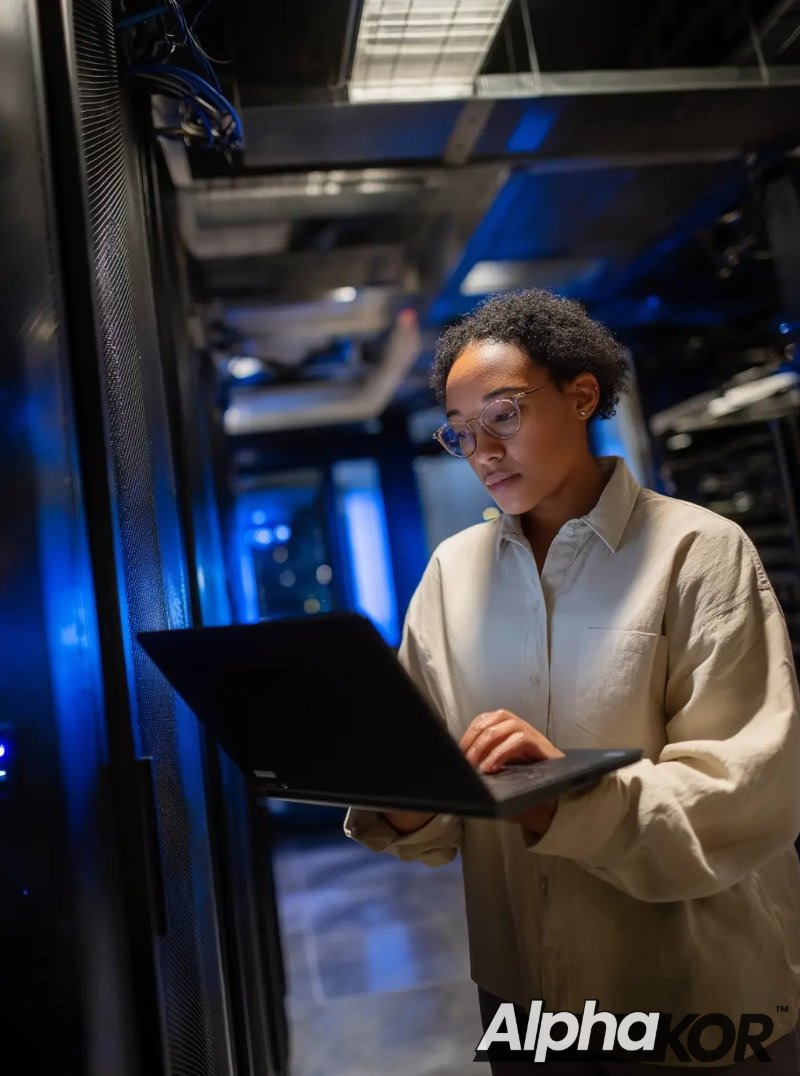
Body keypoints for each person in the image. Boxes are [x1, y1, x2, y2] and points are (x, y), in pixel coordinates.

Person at [343, 289, 800, 1072]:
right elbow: (441, 807)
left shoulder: (699, 552)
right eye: (460, 433)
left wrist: (563, 800)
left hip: (694, 994)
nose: (482, 449)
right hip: (523, 995)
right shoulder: (451, 576)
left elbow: (744, 797)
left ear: (581, 396)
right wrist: (408, 802)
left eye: (504, 415)